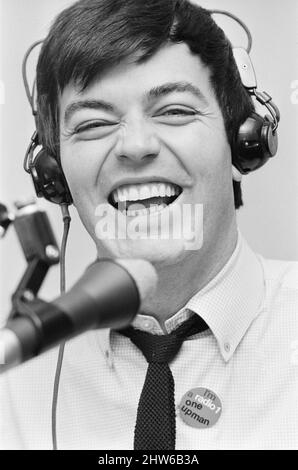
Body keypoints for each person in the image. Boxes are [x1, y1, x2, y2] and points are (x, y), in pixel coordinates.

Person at [1, 0, 298, 450]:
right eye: (94, 123)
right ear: (56, 175)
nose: (136, 146)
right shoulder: (13, 374)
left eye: (175, 111)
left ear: (242, 144)